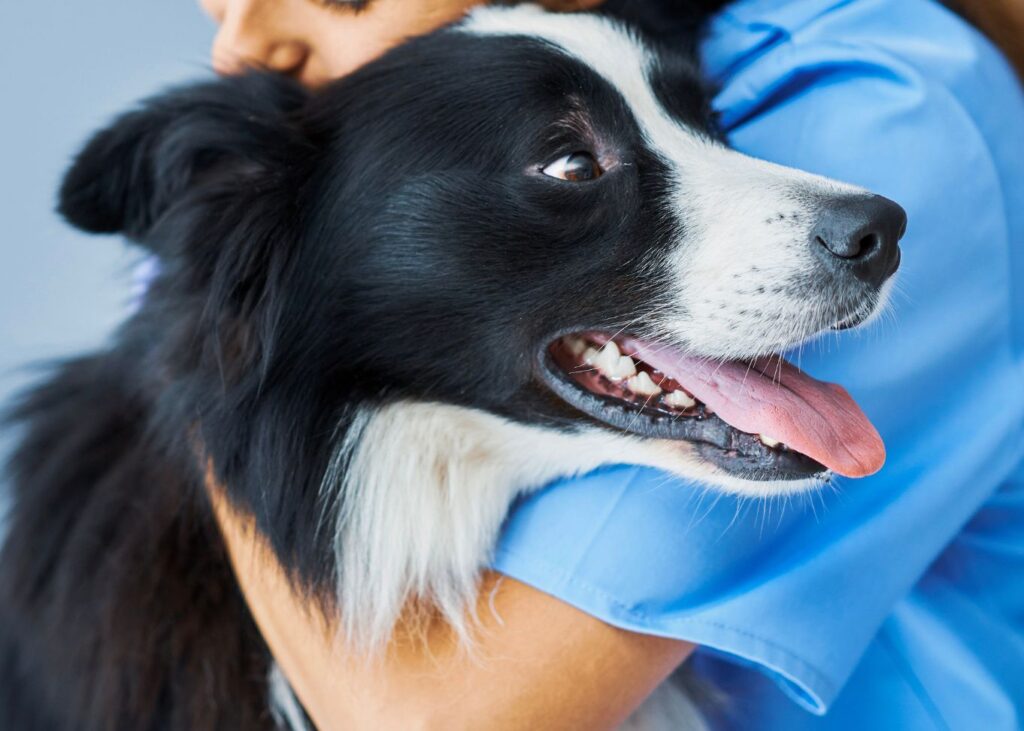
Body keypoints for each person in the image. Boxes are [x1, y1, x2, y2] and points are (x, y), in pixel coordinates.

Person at [200, 0, 1024, 728]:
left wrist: (223, 368)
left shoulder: (888, 99)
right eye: (217, 9)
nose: (241, 52)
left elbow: (441, 718)